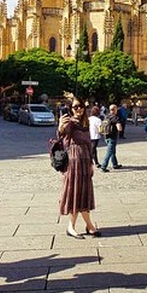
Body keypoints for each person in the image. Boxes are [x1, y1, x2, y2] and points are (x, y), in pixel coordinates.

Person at [58, 98, 99, 239]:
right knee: (75, 192)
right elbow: (63, 133)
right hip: (73, 162)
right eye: (75, 107)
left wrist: (91, 163)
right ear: (70, 109)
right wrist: (60, 126)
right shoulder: (70, 122)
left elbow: (88, 143)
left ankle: (87, 225)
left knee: (83, 193)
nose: (79, 109)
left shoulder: (85, 123)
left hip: (85, 160)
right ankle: (76, 226)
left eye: (81, 106)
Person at [100, 104, 123, 172]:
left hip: (106, 136)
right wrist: (120, 126)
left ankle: (115, 164)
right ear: (115, 109)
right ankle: (104, 166)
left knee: (112, 151)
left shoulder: (106, 116)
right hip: (112, 137)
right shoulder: (116, 118)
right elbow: (119, 128)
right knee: (109, 152)